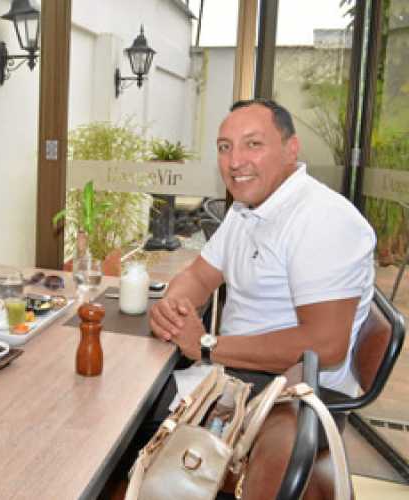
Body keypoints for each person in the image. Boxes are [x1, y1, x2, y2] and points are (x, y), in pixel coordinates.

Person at [148, 98, 375, 417]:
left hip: (291, 397)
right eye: (224, 147)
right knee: (133, 387)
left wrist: (206, 345)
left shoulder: (324, 218)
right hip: (236, 371)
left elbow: (325, 345)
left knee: (129, 411)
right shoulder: (245, 208)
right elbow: (199, 276)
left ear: (291, 149)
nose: (235, 161)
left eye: (253, 144)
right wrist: (171, 309)